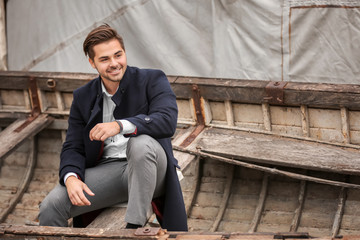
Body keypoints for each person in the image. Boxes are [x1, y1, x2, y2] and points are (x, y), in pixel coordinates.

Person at [38, 24, 188, 231]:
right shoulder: (83, 96)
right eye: (105, 59)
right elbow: (73, 146)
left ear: (125, 53)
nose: (114, 63)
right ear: (92, 63)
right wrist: (71, 177)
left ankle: (133, 228)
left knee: (140, 143)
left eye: (118, 55)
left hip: (153, 168)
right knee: (50, 206)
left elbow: (167, 121)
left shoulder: (152, 79)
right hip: (110, 170)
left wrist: (119, 126)